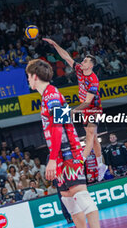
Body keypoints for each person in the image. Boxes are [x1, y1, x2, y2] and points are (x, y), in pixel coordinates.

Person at [25, 59, 100, 228]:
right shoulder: (48, 95)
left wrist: (52, 159)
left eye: (28, 76)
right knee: (68, 200)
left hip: (68, 153)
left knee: (81, 197)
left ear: (35, 77)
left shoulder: (51, 94)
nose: (28, 80)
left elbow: (58, 127)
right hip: (60, 155)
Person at [43, 38, 107, 182]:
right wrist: (55, 44)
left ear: (91, 66)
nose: (82, 62)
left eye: (85, 61)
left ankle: (80, 161)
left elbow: (87, 102)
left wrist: (72, 112)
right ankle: (101, 164)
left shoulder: (93, 80)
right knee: (94, 138)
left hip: (93, 108)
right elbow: (66, 56)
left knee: (90, 135)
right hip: (84, 109)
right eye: (83, 60)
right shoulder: (79, 70)